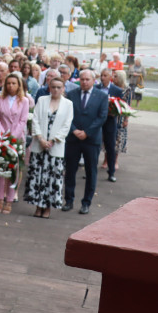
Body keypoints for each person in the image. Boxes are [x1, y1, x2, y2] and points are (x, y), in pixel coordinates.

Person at [24, 76, 74, 218]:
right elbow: (35, 121)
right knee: (37, 177)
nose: (56, 90)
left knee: (52, 179)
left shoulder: (68, 104)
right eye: (53, 87)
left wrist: (52, 140)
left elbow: (66, 125)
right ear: (49, 87)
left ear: (63, 89)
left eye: (59, 87)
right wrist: (40, 139)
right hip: (39, 145)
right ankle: (38, 206)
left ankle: (48, 208)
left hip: (55, 146)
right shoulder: (42, 100)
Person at [61, 69, 108, 215]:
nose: (84, 82)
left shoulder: (101, 96)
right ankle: (69, 200)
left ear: (94, 80)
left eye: (87, 79)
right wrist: (74, 130)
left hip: (91, 140)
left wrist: (87, 132)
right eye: (82, 79)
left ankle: (86, 202)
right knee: (70, 170)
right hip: (73, 139)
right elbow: (67, 115)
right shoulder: (72, 94)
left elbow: (102, 117)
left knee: (91, 171)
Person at [0, 73, 30, 213]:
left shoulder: (24, 100)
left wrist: (12, 137)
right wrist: (3, 136)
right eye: (8, 83)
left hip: (17, 140)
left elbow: (23, 121)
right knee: (2, 170)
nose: (11, 86)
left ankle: (10, 200)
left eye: (14, 83)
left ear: (19, 85)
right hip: (2, 139)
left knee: (13, 170)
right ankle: (0, 198)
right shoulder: (0, 99)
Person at [97, 68, 124, 182]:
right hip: (97, 120)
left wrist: (114, 112)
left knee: (110, 147)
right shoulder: (96, 88)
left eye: (105, 75)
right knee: (95, 146)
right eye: (101, 75)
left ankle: (111, 172)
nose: (103, 78)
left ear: (110, 77)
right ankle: (91, 170)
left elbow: (120, 106)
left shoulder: (117, 90)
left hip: (110, 121)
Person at [113, 69, 132, 154]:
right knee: (109, 138)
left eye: (115, 76)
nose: (113, 78)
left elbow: (128, 105)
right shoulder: (112, 87)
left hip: (121, 117)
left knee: (119, 138)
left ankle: (116, 160)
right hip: (112, 115)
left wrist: (126, 119)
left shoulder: (127, 89)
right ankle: (106, 159)